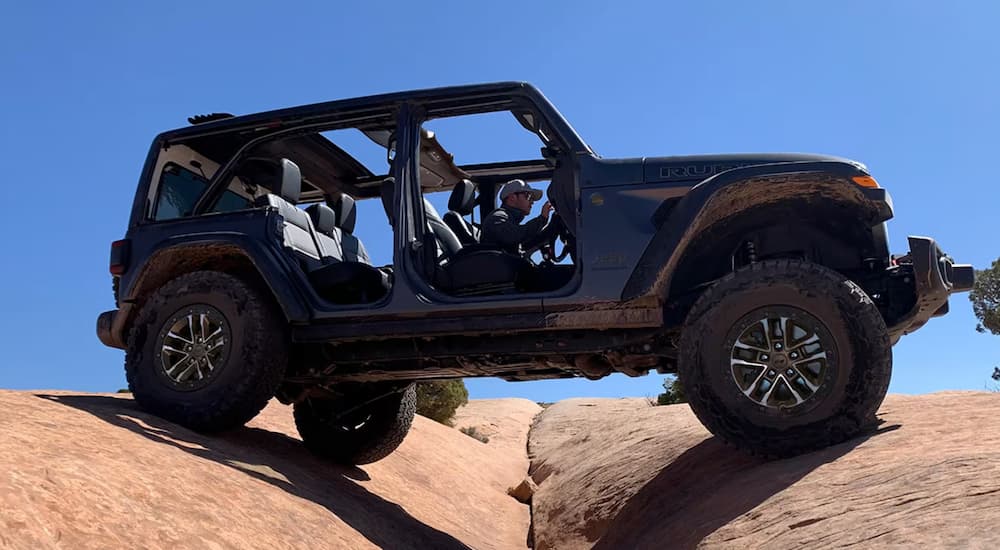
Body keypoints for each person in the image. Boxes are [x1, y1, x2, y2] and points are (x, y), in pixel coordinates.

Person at [481, 179, 553, 255]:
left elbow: (526, 243)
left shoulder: (510, 221)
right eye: (528, 196)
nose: (532, 202)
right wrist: (542, 219)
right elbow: (512, 236)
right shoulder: (497, 217)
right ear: (512, 197)